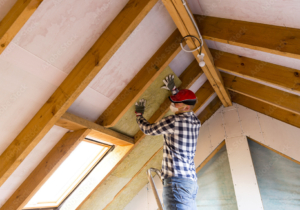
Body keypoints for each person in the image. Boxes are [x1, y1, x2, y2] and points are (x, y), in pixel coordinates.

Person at [135, 75, 201, 210]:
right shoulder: (196, 121)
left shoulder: (173, 121)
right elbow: (185, 104)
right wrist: (175, 91)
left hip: (176, 184)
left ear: (186, 108)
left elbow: (148, 130)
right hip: (190, 182)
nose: (172, 105)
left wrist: (139, 116)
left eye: (176, 103)